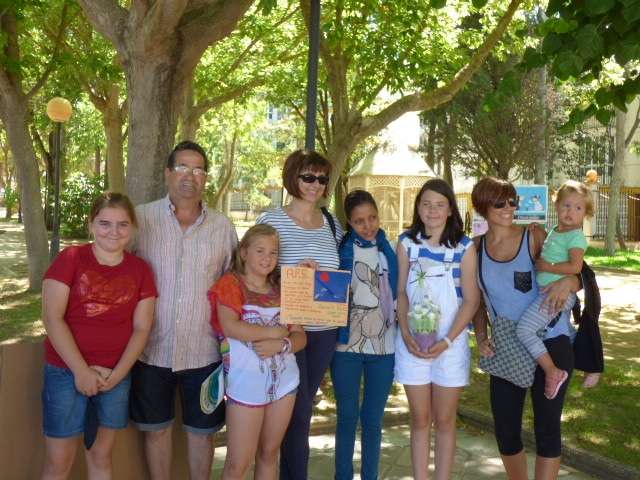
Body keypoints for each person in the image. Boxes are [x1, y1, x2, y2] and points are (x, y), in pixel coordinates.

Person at [130, 141, 237, 480]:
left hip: (204, 352)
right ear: (168, 173)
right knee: (156, 431)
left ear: (206, 178)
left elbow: (235, 284)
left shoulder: (222, 227)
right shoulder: (141, 219)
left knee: (203, 435)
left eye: (198, 169)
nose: (190, 176)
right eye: (182, 167)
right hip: (150, 350)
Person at [471, 176, 582, 480]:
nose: (509, 208)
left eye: (513, 201)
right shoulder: (475, 249)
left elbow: (576, 271)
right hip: (507, 347)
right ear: (483, 206)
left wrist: (571, 281)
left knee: (547, 429)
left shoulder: (534, 237)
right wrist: (481, 337)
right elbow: (475, 301)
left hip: (552, 343)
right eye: (500, 203)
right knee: (506, 431)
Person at [41, 192, 157, 480]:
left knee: (101, 455)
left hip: (114, 375)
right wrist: (81, 371)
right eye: (105, 223)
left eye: (122, 224)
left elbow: (142, 328)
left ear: (132, 228)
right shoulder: (70, 258)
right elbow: (52, 318)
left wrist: (118, 375)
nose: (113, 232)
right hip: (65, 372)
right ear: (91, 224)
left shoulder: (141, 270)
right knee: (59, 461)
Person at [256, 149, 343, 480]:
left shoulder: (332, 224)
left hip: (324, 330)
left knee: (301, 408)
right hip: (287, 329)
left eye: (321, 179)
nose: (315, 184)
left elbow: (337, 275)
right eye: (308, 176)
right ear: (293, 177)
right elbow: (255, 273)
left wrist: (322, 277)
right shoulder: (272, 220)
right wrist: (291, 275)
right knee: (296, 409)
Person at [395, 179, 480, 480]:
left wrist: (446, 340)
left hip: (450, 345)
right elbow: (401, 292)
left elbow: (471, 300)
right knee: (420, 419)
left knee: (444, 420)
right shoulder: (406, 243)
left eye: (440, 205)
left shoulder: (464, 247)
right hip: (412, 344)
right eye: (426, 204)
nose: (432, 211)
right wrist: (406, 333)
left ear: (450, 209)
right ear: (418, 207)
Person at [209, 224, 307, 480]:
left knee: (269, 454)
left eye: (273, 252)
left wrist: (282, 345)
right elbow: (231, 326)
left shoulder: (283, 287)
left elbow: (300, 336)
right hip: (245, 383)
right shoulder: (230, 283)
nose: (267, 258)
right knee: (238, 463)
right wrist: (274, 333)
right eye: (260, 251)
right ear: (244, 252)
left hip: (284, 383)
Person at [331, 190, 398, 480]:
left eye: (372, 217)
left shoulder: (391, 249)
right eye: (359, 221)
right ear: (349, 222)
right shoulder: (341, 251)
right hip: (346, 345)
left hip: (383, 346)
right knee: (347, 417)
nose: (368, 226)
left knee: (373, 419)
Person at [516, 180, 596, 400]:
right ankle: (592, 364)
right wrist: (538, 230)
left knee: (525, 330)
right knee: (568, 333)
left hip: (556, 294)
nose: (571, 212)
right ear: (557, 205)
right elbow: (552, 250)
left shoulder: (575, 236)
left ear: (585, 213)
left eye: (578, 208)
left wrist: (548, 267)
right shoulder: (556, 230)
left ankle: (553, 372)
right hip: (548, 291)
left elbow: (575, 267)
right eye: (566, 205)